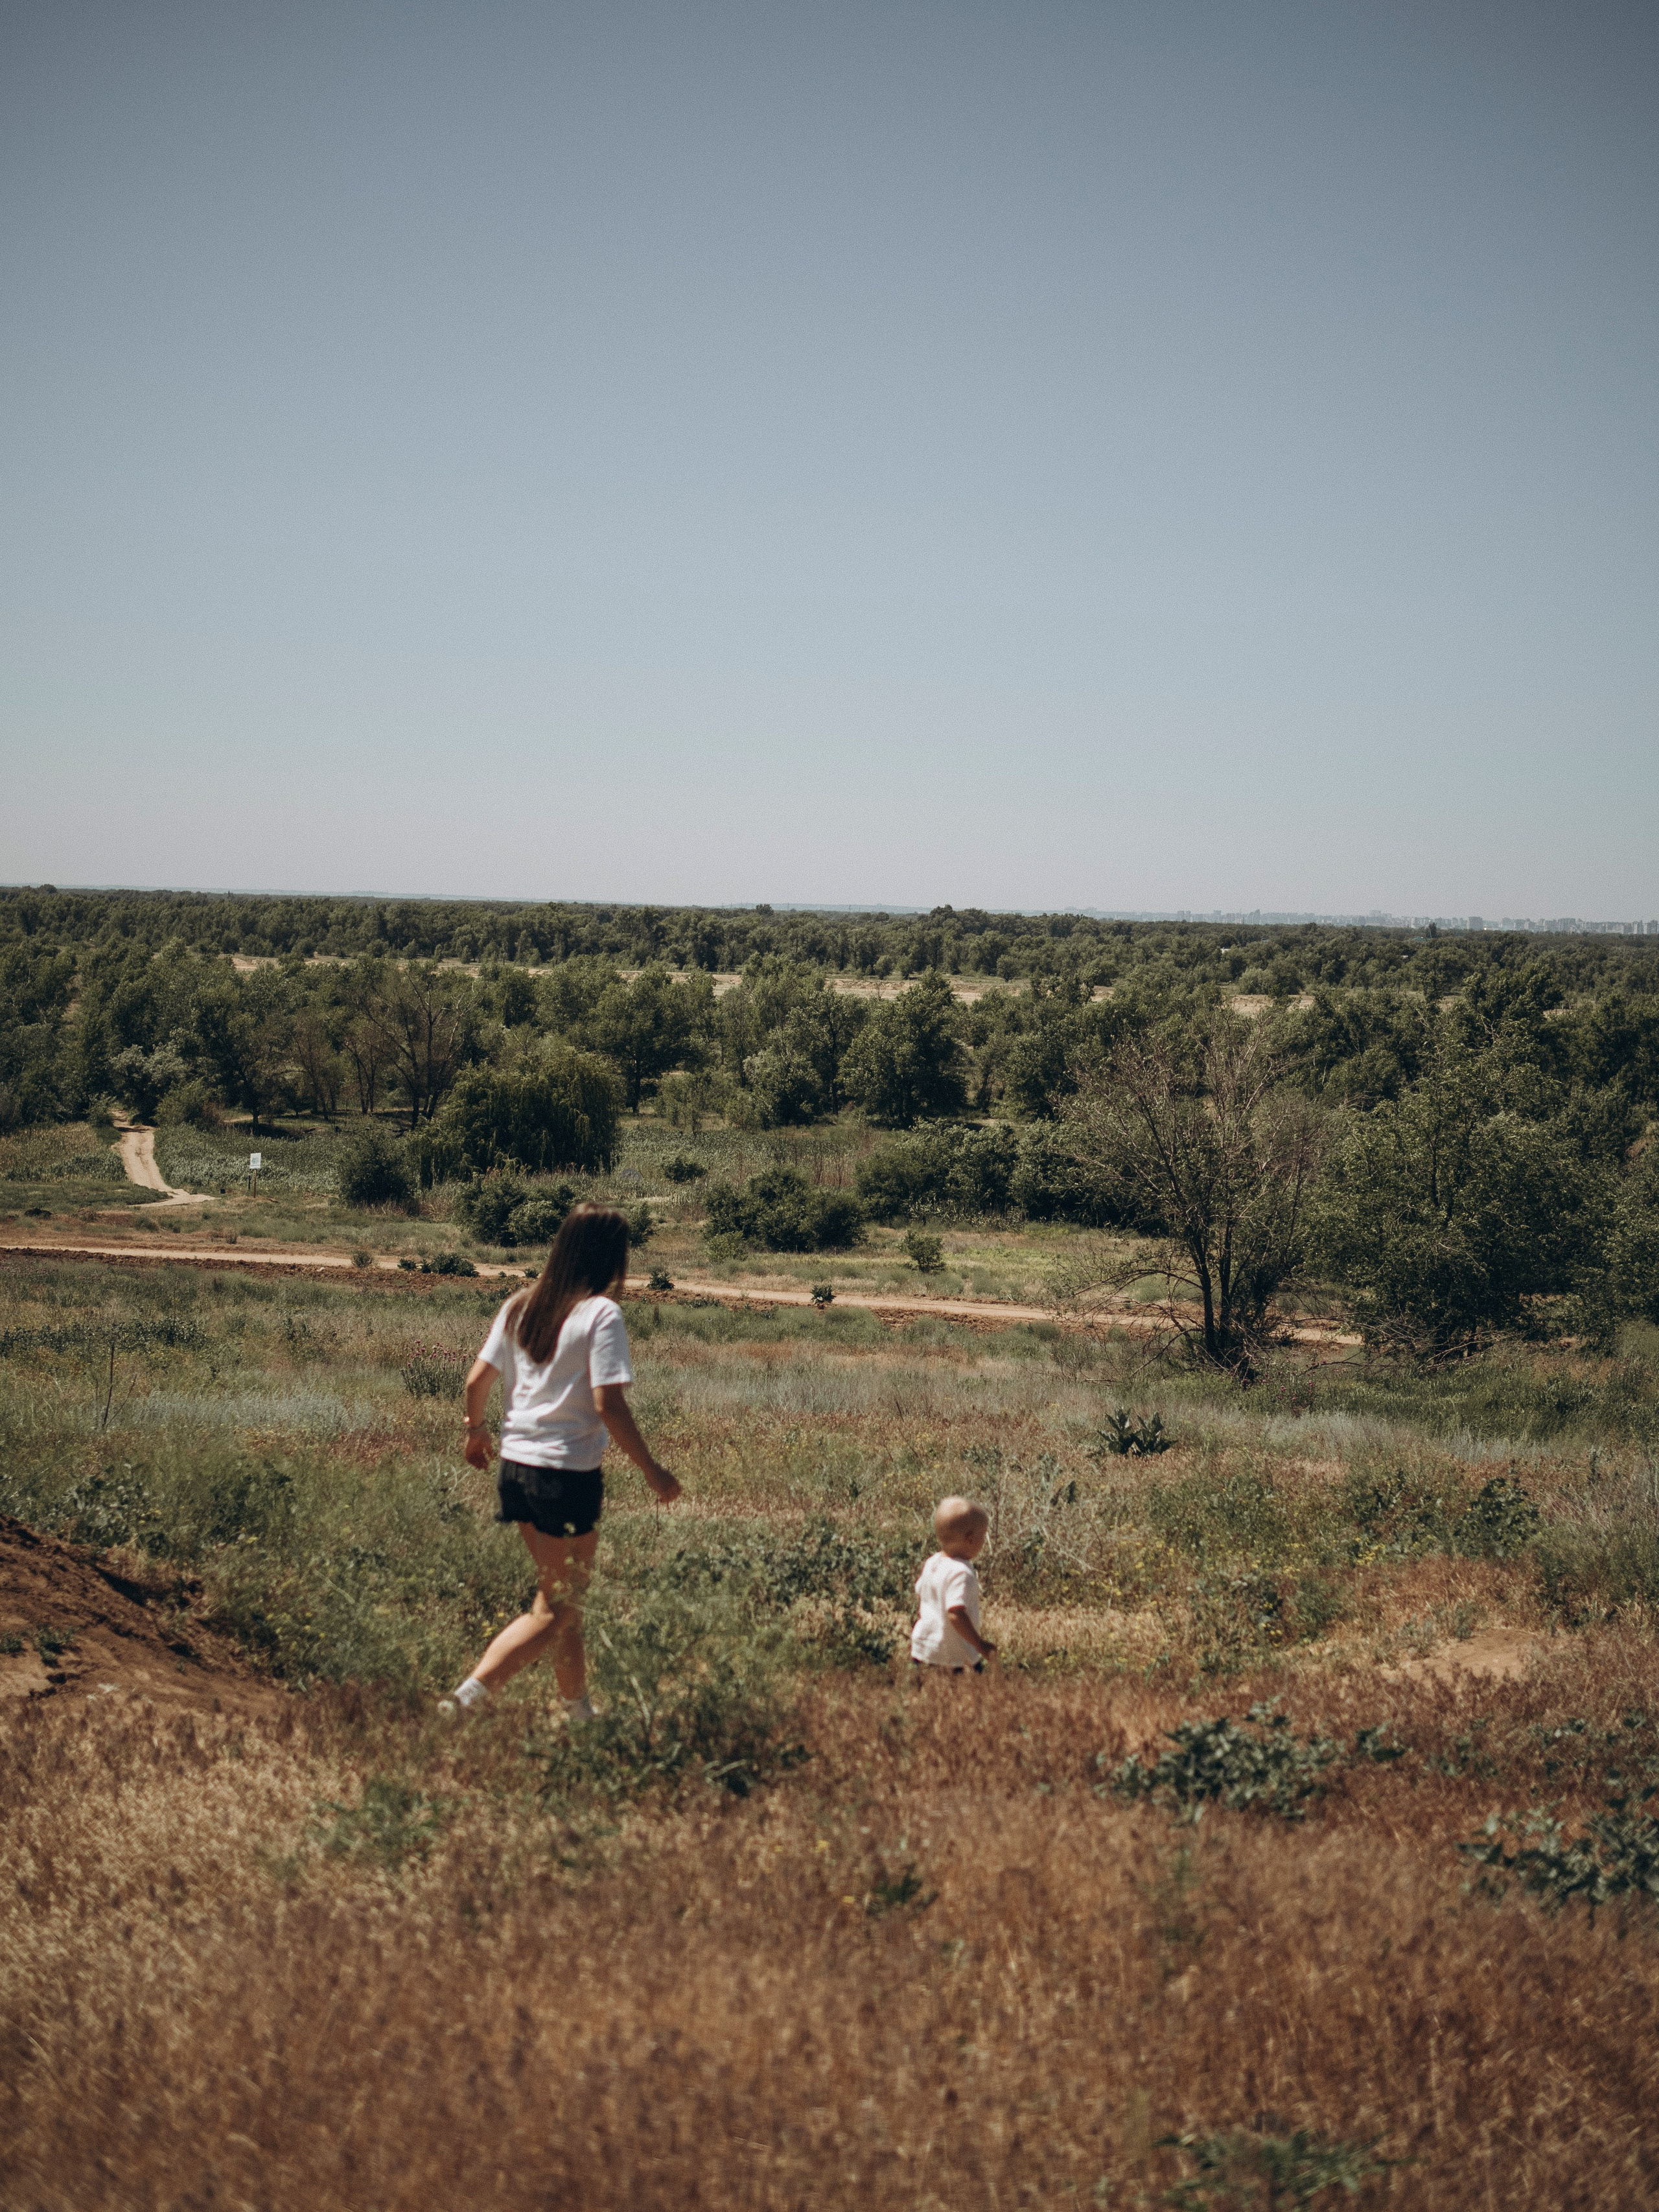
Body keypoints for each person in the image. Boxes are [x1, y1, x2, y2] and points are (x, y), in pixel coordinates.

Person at [438, 1203, 681, 1725]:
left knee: (559, 1595)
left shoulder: (520, 1305)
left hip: (516, 1469)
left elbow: (475, 1382)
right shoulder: (601, 1314)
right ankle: (466, 1700)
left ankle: (577, 1710)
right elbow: (608, 1405)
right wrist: (652, 1470)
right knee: (560, 1608)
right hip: (565, 1475)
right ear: (613, 1258)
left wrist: (475, 1432)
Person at [909, 1496, 995, 1675]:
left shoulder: (933, 1562)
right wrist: (979, 1644)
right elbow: (955, 1612)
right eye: (982, 1536)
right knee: (969, 1697)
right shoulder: (961, 1573)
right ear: (970, 1540)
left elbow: (921, 1591)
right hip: (953, 1654)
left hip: (924, 1648)